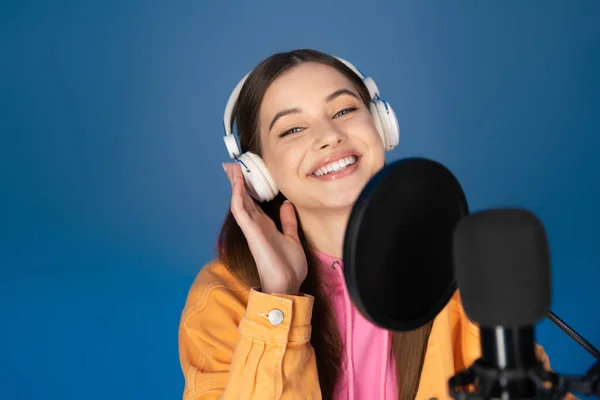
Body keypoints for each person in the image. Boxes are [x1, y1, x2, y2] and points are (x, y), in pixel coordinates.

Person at [178, 49, 566, 400]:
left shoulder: (463, 276)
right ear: (257, 171)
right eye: (293, 129)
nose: (330, 137)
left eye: (344, 110)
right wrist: (279, 299)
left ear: (382, 125)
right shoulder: (222, 300)